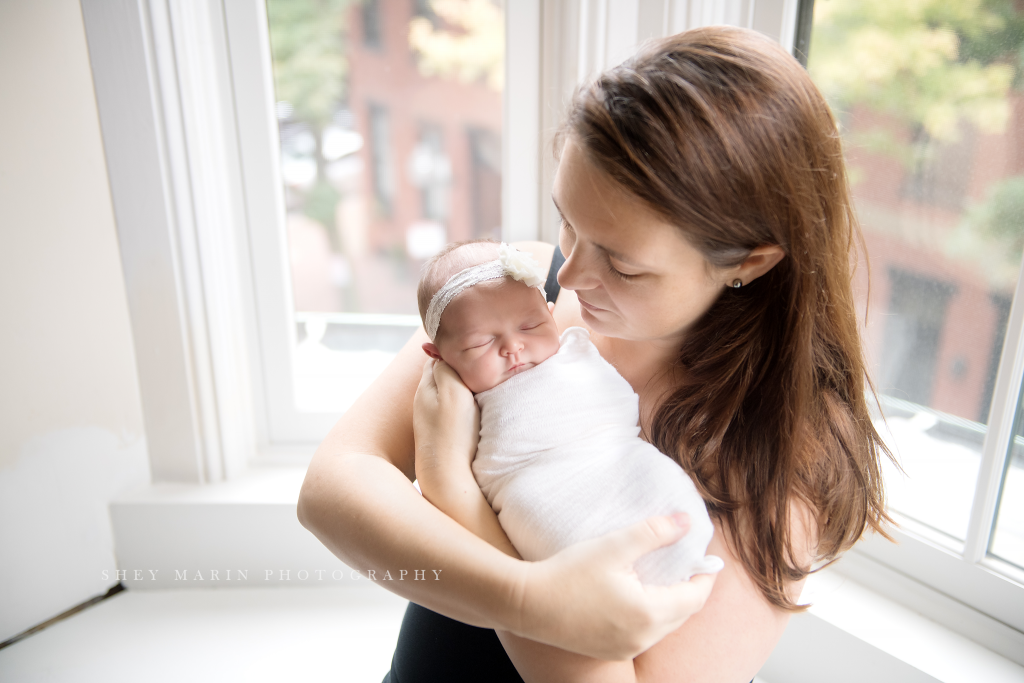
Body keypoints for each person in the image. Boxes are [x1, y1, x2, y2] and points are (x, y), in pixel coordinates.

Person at [298, 25, 892, 683]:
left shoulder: (787, 448)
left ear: (749, 262)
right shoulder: (516, 289)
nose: (569, 276)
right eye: (568, 221)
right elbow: (331, 486)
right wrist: (529, 596)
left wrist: (454, 490)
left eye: (623, 264)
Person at [416, 239, 722, 585]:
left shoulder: (575, 354)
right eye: (479, 343)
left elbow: (619, 405)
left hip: (612, 459)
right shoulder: (451, 402)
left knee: (662, 489)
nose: (512, 347)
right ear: (437, 355)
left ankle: (680, 560)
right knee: (547, 527)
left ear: (550, 312)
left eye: (530, 326)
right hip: (529, 486)